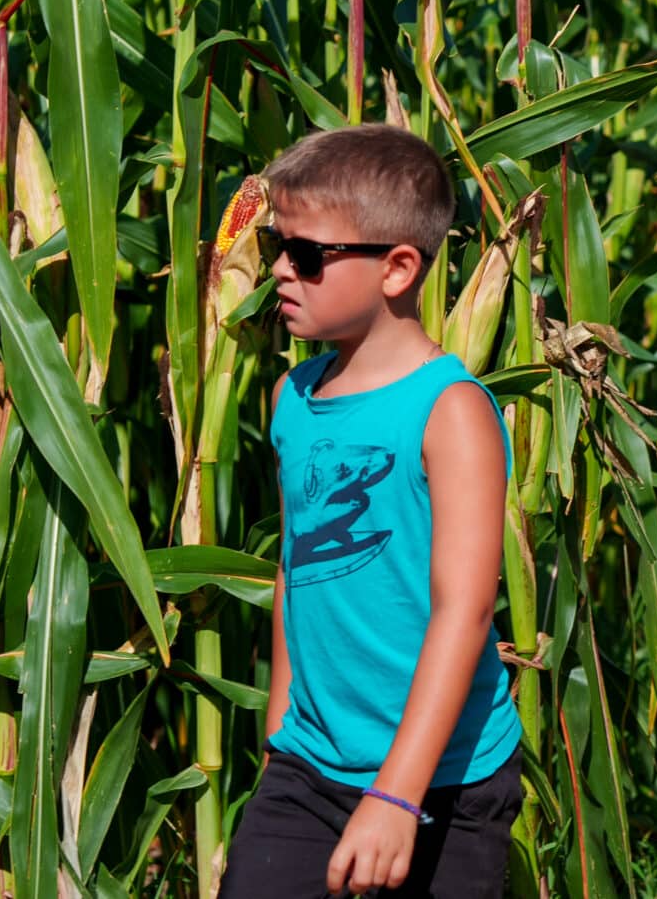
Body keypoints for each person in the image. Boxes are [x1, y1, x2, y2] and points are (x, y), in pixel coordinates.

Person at [223, 125, 523, 899]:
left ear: (397, 268)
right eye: (275, 243)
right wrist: (280, 727)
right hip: (308, 764)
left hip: (446, 779)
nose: (280, 270)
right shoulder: (294, 398)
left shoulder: (449, 411)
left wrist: (395, 794)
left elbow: (465, 609)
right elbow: (299, 563)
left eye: (308, 254)